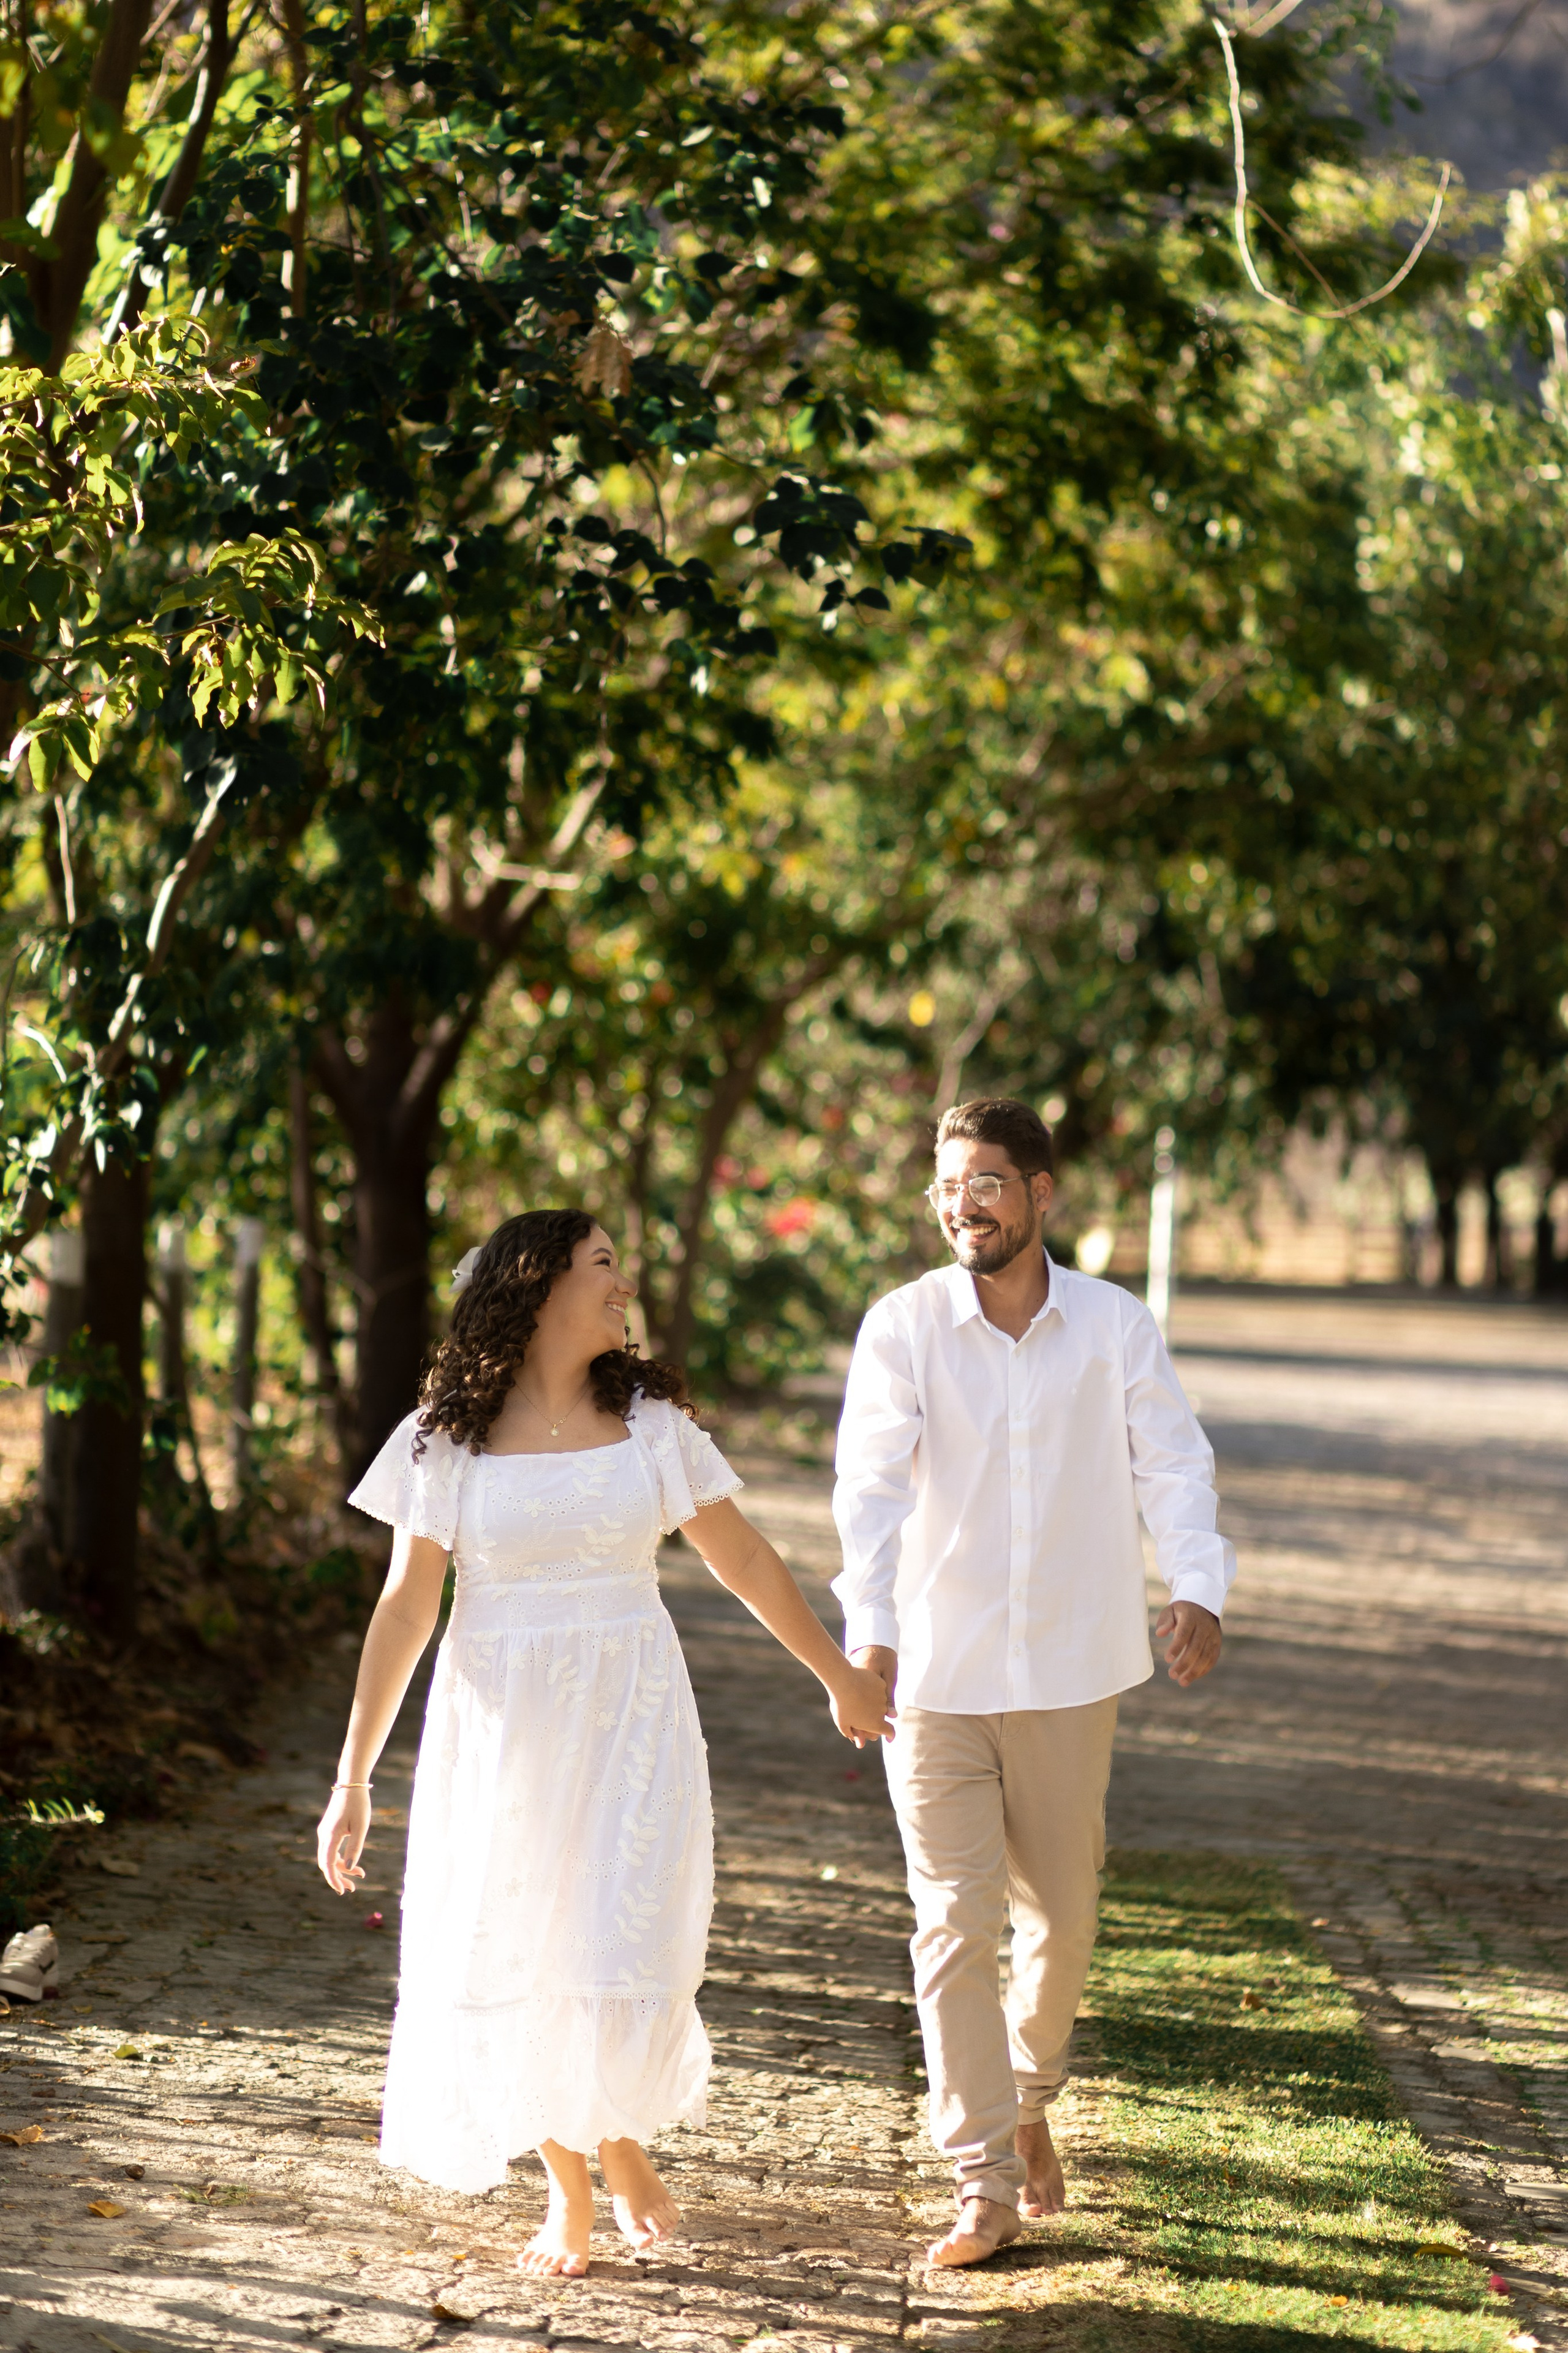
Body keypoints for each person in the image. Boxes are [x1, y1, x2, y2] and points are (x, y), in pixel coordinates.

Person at [316, 1207, 892, 2279]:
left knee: (618, 1935)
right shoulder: (445, 1436)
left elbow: (744, 1558)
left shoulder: (653, 1424)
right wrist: (354, 1775)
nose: (625, 1284)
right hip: (503, 1721)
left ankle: (617, 2132)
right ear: (539, 1286)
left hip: (632, 1716)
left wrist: (838, 1672)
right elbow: (406, 1607)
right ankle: (571, 2184)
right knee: (521, 1936)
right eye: (604, 1265)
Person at [832, 1098, 1233, 2269]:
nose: (963, 1204)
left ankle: (1026, 2092)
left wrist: (1197, 1586)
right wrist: (869, 1634)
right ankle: (982, 2179)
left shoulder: (1113, 1325)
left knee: (1062, 1917)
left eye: (988, 1182)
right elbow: (869, 1493)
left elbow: (1173, 1463)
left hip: (1070, 1667)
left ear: (1040, 1192)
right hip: (935, 1676)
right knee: (953, 1924)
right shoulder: (904, 1326)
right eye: (948, 1185)